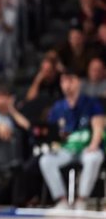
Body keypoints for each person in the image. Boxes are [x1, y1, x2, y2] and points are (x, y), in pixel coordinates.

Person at [39, 68, 105, 210]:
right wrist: (53, 143)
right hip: (66, 149)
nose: (67, 85)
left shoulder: (91, 102)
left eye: (70, 80)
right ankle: (62, 200)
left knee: (93, 158)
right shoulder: (58, 107)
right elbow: (52, 132)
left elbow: (98, 125)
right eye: (64, 81)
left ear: (78, 82)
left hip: (87, 148)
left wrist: (94, 145)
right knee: (45, 160)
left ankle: (82, 200)